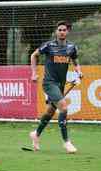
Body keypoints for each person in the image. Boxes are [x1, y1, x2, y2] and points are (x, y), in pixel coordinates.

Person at [29, 21, 83, 153]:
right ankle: (67, 142)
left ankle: (36, 133)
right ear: (56, 32)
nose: (62, 32)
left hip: (60, 84)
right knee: (64, 107)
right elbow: (34, 55)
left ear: (67, 31)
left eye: (64, 30)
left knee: (50, 111)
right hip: (49, 83)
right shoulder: (49, 45)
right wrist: (34, 73)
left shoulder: (71, 47)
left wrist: (78, 71)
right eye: (60, 30)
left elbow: (75, 61)